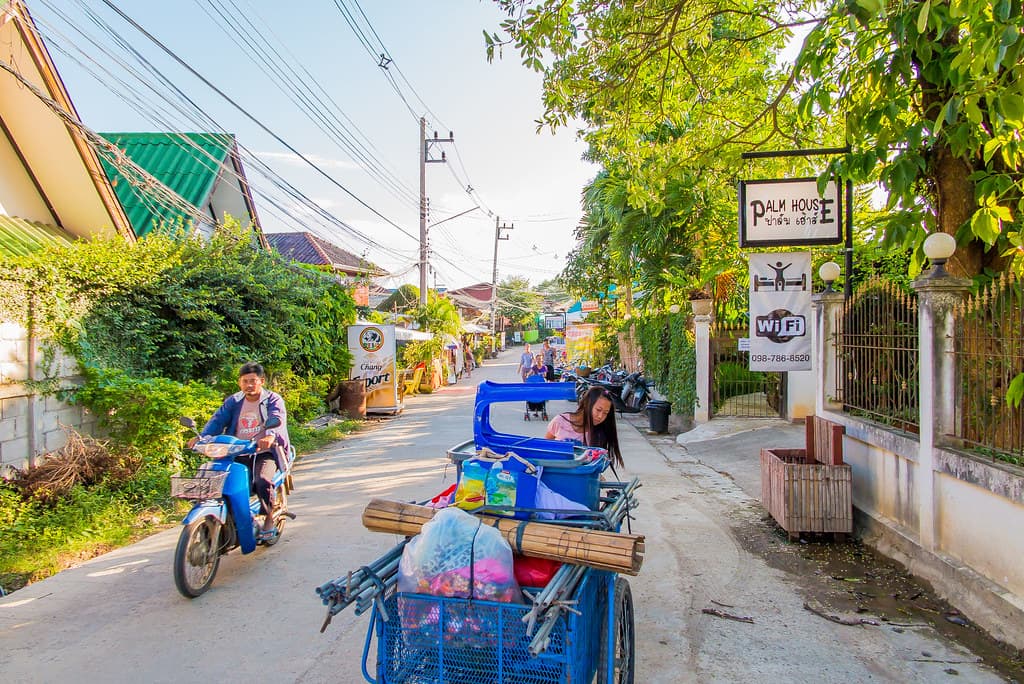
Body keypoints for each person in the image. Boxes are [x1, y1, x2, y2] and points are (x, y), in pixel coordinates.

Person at [191, 362, 290, 540]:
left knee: (262, 480)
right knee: (215, 481)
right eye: (245, 381)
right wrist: (202, 438)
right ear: (239, 382)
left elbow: (277, 418)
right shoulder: (234, 401)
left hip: (263, 452)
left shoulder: (272, 399)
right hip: (234, 452)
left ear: (262, 381)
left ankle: (268, 517)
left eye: (253, 381)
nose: (249, 385)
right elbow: (217, 421)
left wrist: (270, 436)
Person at [544, 385, 623, 469]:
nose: (600, 416)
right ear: (586, 404)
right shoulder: (560, 422)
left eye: (605, 413)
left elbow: (595, 464)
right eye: (598, 410)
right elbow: (544, 447)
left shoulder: (599, 433)